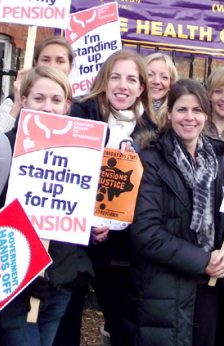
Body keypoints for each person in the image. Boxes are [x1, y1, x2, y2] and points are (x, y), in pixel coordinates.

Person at [127, 79, 224, 346]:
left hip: (213, 288)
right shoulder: (151, 160)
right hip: (167, 291)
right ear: (169, 113)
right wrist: (203, 260)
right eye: (182, 110)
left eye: (197, 110)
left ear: (206, 115)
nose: (189, 117)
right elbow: (146, 233)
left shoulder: (216, 159)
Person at [0, 66, 93, 346]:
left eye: (56, 100)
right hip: (11, 282)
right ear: (24, 100)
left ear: (68, 106)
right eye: (39, 99)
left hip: (59, 280)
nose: (48, 108)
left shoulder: (82, 155)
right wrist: (24, 269)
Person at [61, 50, 157, 346]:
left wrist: (118, 224)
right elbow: (62, 170)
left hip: (120, 249)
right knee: (64, 325)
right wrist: (85, 220)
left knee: (122, 326)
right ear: (104, 79)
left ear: (141, 88)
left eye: (131, 79)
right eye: (115, 77)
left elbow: (148, 194)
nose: (122, 86)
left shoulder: (150, 133)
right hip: (73, 241)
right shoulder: (80, 114)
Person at [0, 36, 74, 133]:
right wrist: (17, 104)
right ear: (36, 62)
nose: (52, 66)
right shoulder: (13, 102)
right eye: (46, 60)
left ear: (70, 67)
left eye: (60, 61)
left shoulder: (84, 108)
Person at [144, 52, 178, 127]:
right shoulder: (127, 111)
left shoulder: (175, 116)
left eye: (164, 77)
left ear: (170, 84)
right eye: (150, 75)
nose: (156, 81)